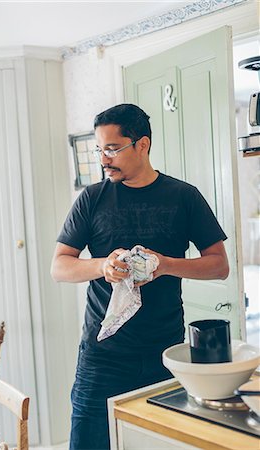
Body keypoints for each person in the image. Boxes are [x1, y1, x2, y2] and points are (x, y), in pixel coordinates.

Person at [51, 103, 229, 450]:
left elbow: (218, 264)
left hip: (166, 356)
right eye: (100, 149)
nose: (104, 159)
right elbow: (60, 266)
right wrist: (101, 266)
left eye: (113, 148)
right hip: (102, 358)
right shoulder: (92, 199)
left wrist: (165, 264)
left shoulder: (183, 196)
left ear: (142, 145)